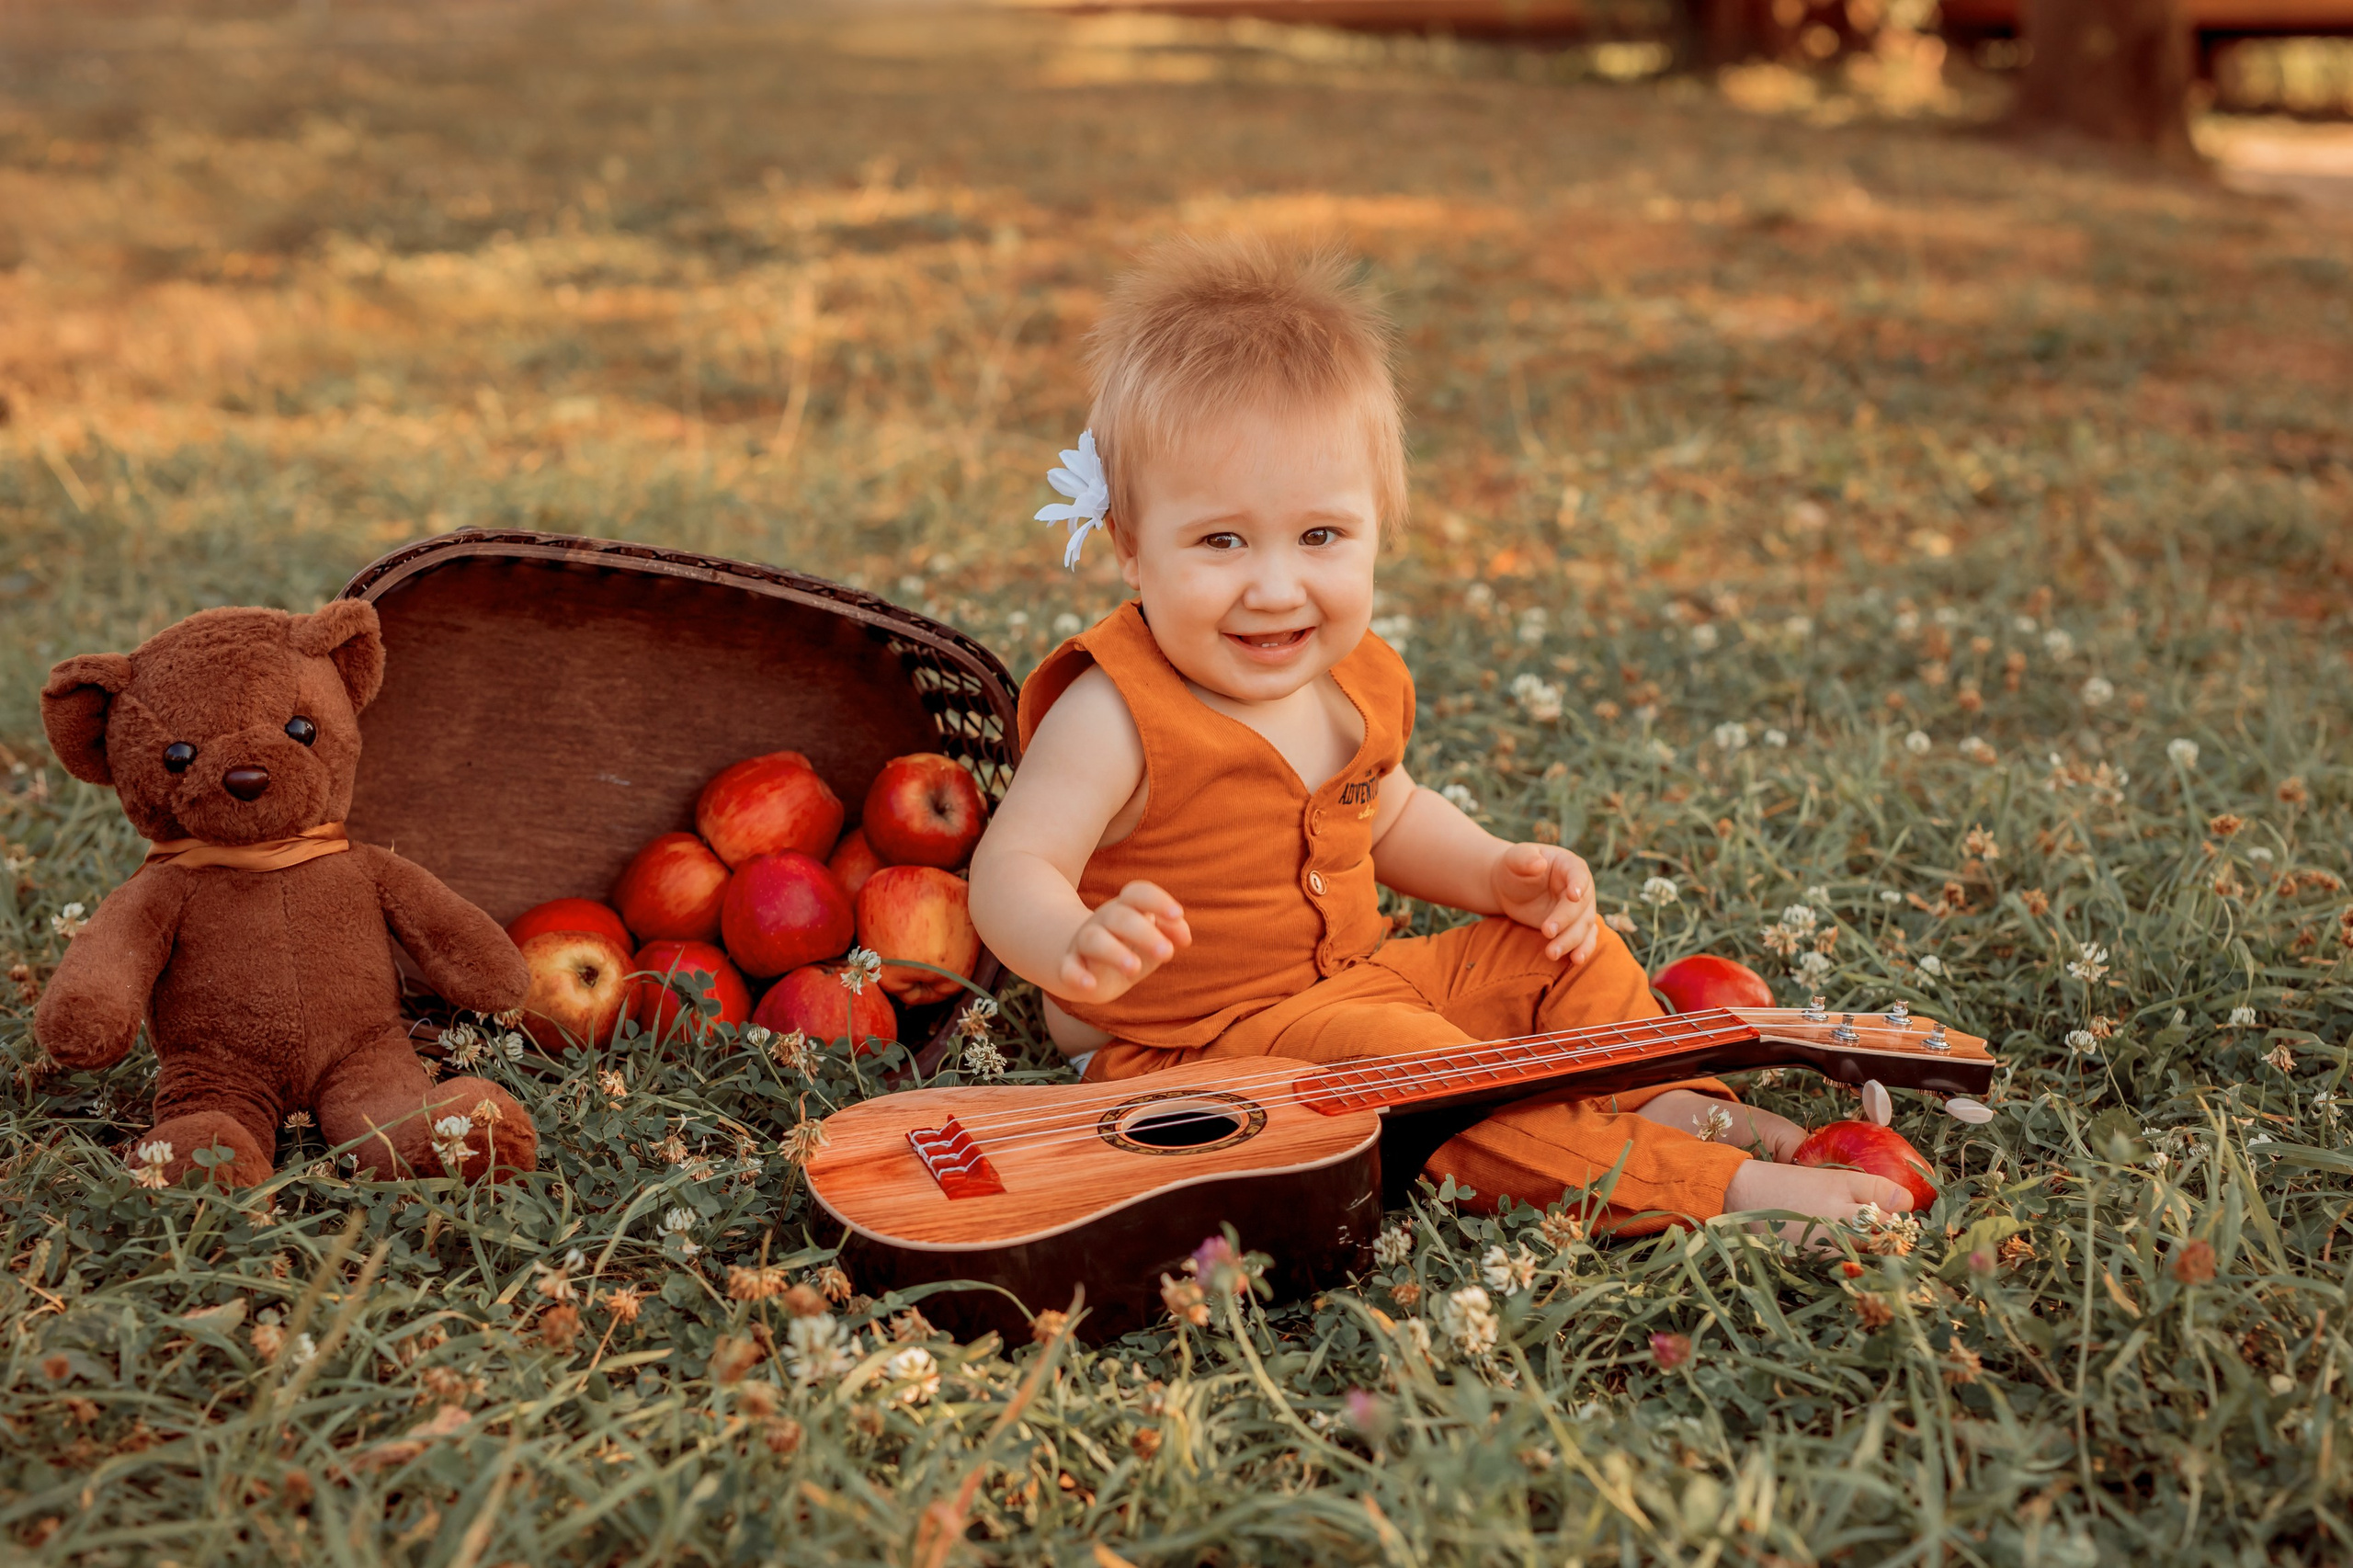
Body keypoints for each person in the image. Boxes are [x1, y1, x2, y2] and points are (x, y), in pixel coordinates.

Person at [967, 235, 1912, 1238]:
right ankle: (1711, 1189)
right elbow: (1010, 865)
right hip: (1202, 1045)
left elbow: (1392, 810)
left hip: (1362, 980)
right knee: (1429, 1080)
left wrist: (1496, 871)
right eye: (1220, 540)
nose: (1277, 585)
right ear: (1127, 545)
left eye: (1321, 536)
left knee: (1560, 954)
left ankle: (1658, 1097)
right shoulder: (1115, 711)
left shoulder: (1351, 675)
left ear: (1378, 527)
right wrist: (1069, 940)